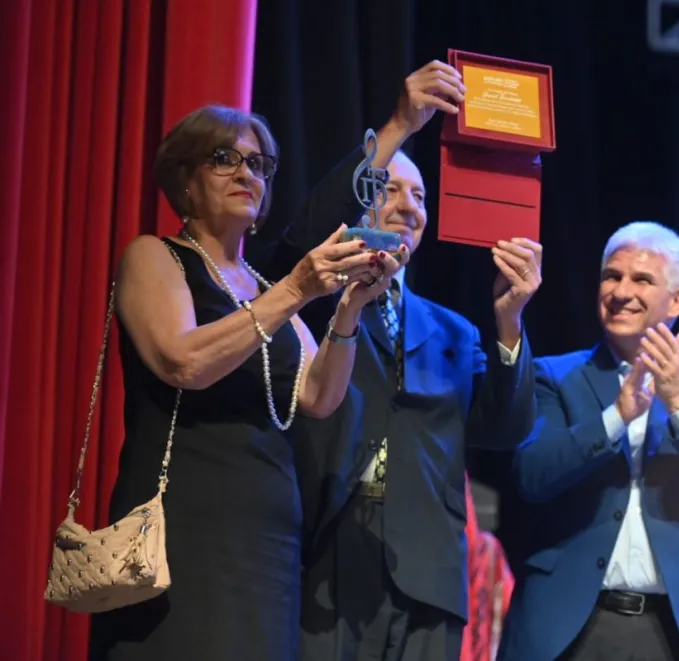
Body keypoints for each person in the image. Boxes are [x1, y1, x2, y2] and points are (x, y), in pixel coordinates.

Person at [88, 105, 406, 661]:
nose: (246, 174)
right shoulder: (156, 257)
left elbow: (318, 396)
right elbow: (181, 362)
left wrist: (350, 307)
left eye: (258, 163)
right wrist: (299, 287)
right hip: (182, 529)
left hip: (267, 539)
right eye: (223, 159)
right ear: (185, 180)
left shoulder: (262, 285)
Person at [261, 61, 542, 661]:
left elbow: (505, 428)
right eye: (389, 188)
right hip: (328, 560)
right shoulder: (311, 299)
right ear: (358, 201)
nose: (409, 206)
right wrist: (399, 126)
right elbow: (304, 233)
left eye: (420, 196)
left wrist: (510, 321)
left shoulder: (455, 330)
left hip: (427, 574)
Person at [499, 221, 679, 661]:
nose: (620, 291)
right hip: (573, 625)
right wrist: (616, 416)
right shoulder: (555, 376)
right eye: (611, 276)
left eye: (642, 279)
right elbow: (532, 475)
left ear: (678, 300)